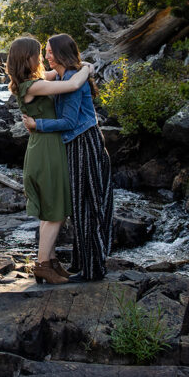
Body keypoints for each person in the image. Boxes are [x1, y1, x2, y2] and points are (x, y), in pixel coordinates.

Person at [22, 34, 113, 281]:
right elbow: (37, 80)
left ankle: (92, 268)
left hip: (84, 143)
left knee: (88, 205)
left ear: (61, 53)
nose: (46, 56)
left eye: (50, 52)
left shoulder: (72, 78)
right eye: (45, 52)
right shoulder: (63, 75)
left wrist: (37, 124)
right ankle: (81, 263)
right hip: (74, 145)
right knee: (79, 206)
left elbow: (70, 122)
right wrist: (86, 67)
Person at [5, 36, 92, 284]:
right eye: (39, 53)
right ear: (28, 58)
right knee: (55, 212)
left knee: (52, 209)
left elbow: (62, 73)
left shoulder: (33, 82)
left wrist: (80, 64)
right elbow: (72, 85)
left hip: (44, 146)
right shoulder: (33, 86)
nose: (43, 58)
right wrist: (87, 67)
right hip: (46, 149)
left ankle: (52, 261)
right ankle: (43, 264)